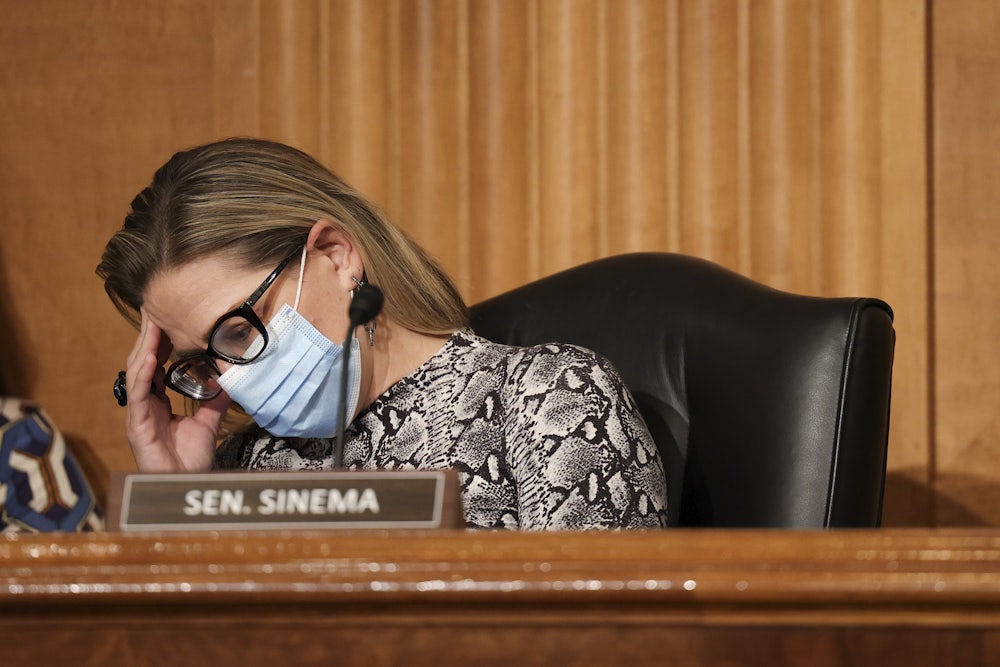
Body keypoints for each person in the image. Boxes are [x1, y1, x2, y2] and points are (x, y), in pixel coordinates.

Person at [97, 137, 668, 529]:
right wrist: (180, 500)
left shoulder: (549, 399)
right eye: (202, 362)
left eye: (238, 334)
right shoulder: (242, 468)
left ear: (336, 255)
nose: (233, 383)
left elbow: (600, 644)